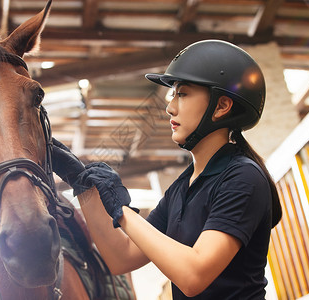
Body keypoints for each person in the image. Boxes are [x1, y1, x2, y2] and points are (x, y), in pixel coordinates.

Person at [51, 39, 282, 299]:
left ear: (222, 106)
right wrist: (83, 187)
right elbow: (121, 258)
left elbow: (194, 275)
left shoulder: (243, 177)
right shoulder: (181, 189)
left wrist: (121, 210)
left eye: (182, 94)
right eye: (173, 95)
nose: (169, 107)